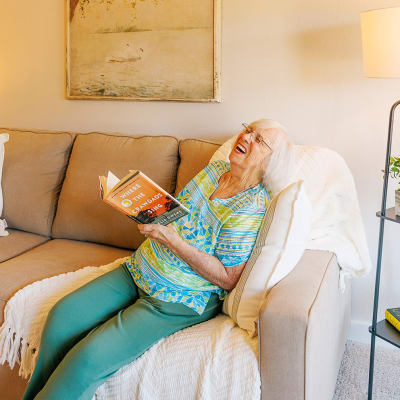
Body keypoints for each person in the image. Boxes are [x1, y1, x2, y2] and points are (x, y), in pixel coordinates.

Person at [22, 119, 295, 400]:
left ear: (270, 162)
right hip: (139, 269)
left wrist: (172, 241)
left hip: (177, 300)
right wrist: (143, 209)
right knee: (61, 318)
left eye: (259, 140)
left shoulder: (250, 209)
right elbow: (178, 214)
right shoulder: (215, 171)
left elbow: (228, 278)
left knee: (87, 359)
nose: (247, 137)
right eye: (248, 129)